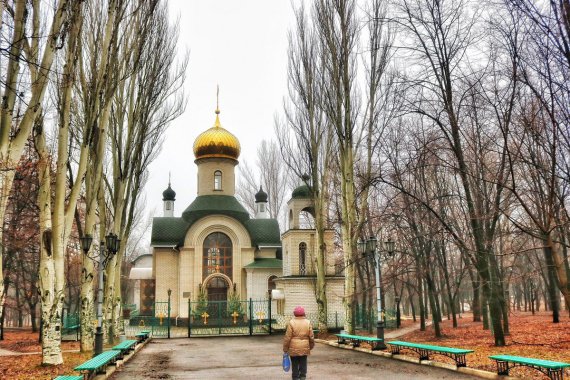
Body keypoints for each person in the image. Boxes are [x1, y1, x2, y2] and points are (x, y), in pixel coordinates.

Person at [283, 306, 315, 380]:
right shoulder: (308, 322)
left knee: (294, 363)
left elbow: (287, 337)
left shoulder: (291, 322)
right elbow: (311, 336)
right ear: (303, 313)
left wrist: (285, 348)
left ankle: (295, 377)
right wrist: (311, 345)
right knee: (303, 362)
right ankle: (303, 376)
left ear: (295, 314)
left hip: (293, 347)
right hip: (304, 347)